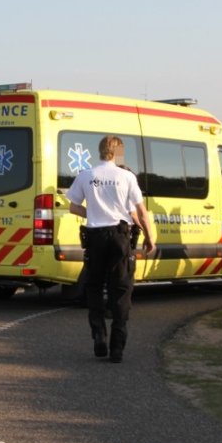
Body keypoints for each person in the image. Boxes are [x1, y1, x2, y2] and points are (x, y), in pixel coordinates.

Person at [67, 136, 155, 363]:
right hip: (119, 235)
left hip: (95, 237)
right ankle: (117, 345)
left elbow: (73, 206)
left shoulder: (87, 175)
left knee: (95, 286)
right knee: (121, 288)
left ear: (100, 151)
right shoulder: (126, 176)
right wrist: (149, 236)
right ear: (117, 153)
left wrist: (94, 214)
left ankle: (99, 334)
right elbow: (141, 212)